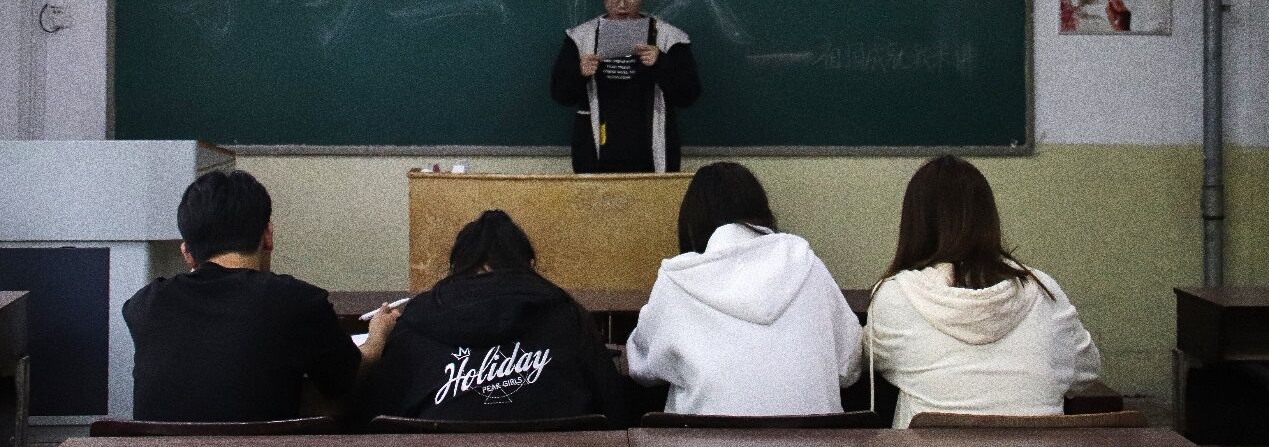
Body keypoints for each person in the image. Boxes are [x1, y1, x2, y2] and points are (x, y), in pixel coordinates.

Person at [123, 169, 398, 421]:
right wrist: (378, 334)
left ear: (187, 253)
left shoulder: (143, 305)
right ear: (268, 235)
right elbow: (347, 380)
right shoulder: (296, 301)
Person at [867, 155, 1101, 428]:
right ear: (988, 217)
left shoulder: (895, 296)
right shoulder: (1043, 289)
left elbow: (871, 363)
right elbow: (1087, 371)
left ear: (914, 224)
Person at [626, 162, 862, 415]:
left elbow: (641, 367)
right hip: (816, 435)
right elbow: (849, 365)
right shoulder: (807, 265)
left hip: (706, 435)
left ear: (692, 221)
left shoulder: (678, 277)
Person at [360, 210, 627, 425]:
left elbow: (376, 416)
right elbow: (614, 408)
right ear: (527, 263)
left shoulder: (417, 319)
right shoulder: (567, 314)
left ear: (458, 266)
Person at [550, 0, 701, 173]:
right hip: (595, 158)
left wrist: (661, 63)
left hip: (654, 159)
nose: (621, 5)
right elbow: (560, 95)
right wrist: (579, 73)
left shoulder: (669, 38)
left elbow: (689, 95)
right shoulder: (581, 37)